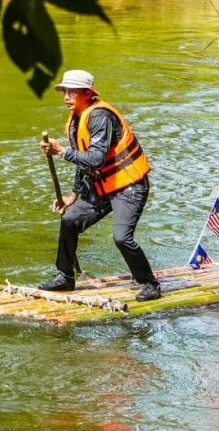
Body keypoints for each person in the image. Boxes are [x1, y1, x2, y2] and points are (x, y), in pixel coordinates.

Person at [37, 69, 162, 302]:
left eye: (72, 92)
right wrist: (72, 196)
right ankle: (65, 276)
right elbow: (84, 162)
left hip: (129, 186)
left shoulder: (99, 116)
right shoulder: (76, 120)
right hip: (104, 187)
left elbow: (96, 159)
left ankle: (150, 284)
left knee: (122, 237)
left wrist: (61, 151)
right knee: (70, 220)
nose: (66, 97)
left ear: (86, 93)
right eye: (65, 91)